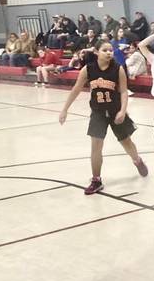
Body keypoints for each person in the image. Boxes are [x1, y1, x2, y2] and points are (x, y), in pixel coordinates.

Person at [58, 40, 148, 195]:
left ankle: (137, 160)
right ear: (96, 52)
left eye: (110, 50)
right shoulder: (88, 69)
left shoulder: (118, 69)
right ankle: (96, 180)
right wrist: (64, 109)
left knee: (126, 142)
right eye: (105, 50)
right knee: (96, 146)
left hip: (115, 111)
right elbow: (76, 89)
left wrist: (123, 111)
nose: (109, 53)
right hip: (98, 112)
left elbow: (124, 91)